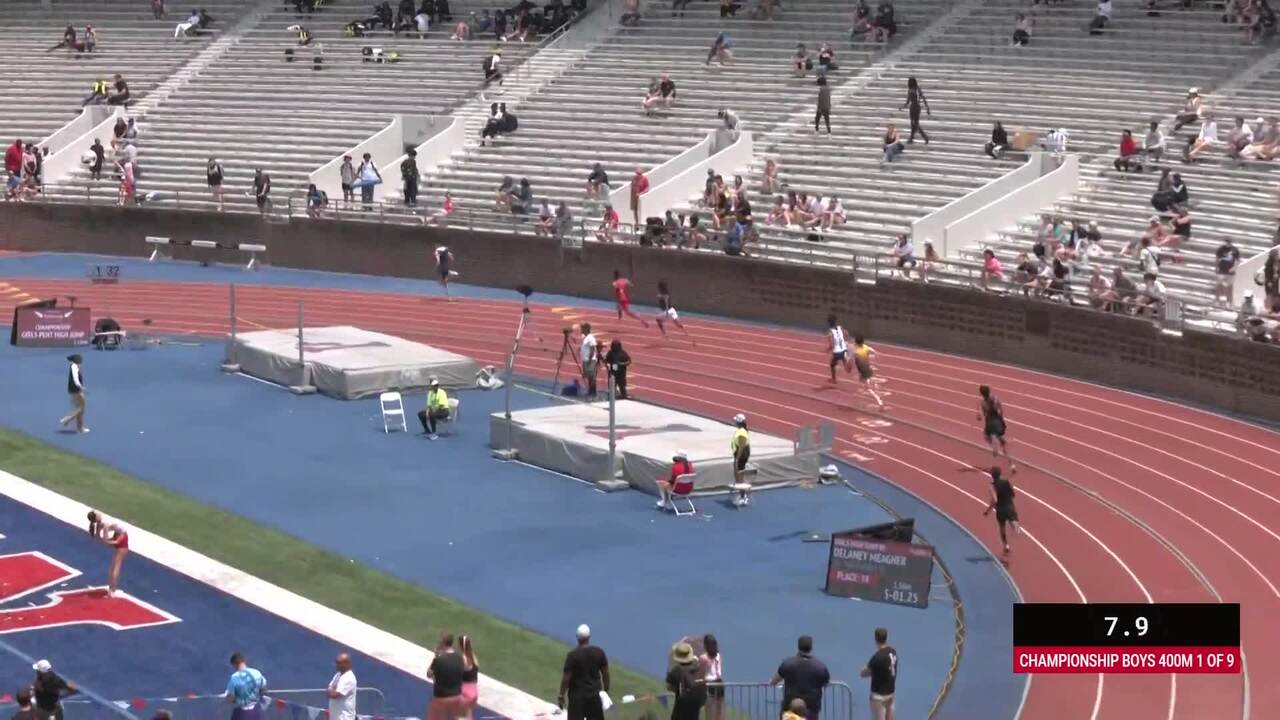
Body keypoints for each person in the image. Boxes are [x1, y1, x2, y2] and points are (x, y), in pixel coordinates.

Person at [771, 636, 830, 720]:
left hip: (789, 709)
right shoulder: (820, 667)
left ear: (798, 647)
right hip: (811, 710)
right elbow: (826, 684)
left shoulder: (788, 664)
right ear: (811, 647)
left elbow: (774, 681)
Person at [560, 624, 610, 720]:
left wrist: (561, 695)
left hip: (576, 699)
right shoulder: (599, 652)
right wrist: (606, 692)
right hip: (594, 697)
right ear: (589, 637)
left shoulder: (572, 656)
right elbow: (606, 674)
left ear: (577, 638)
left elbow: (566, 678)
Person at [87, 511, 129, 596]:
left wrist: (110, 540)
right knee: (116, 566)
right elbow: (106, 540)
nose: (99, 513)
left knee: (113, 566)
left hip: (117, 535)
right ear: (97, 517)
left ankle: (111, 588)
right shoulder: (105, 524)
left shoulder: (99, 524)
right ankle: (112, 590)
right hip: (121, 537)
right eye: (97, 513)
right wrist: (113, 541)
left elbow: (98, 537)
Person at [427, 634, 467, 720]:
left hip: (441, 697)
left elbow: (429, 674)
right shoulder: (460, 658)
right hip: (456, 696)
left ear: (442, 644)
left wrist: (436, 656)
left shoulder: (439, 660)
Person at [983, 464, 1021, 555]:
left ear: (992, 475)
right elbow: (1013, 495)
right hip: (1009, 506)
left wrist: (987, 511)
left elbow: (994, 500)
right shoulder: (1006, 482)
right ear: (1000, 474)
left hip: (1000, 510)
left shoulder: (991, 486)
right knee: (1015, 525)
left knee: (1002, 527)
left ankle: (1006, 545)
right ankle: (1015, 527)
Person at [860, 628, 897, 720]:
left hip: (879, 697)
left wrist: (864, 669)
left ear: (876, 639)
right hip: (890, 693)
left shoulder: (877, 658)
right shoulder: (892, 652)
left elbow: (864, 673)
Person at [666, 642, 707, 720]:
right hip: (696, 706)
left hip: (681, 708)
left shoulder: (677, 670)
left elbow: (669, 687)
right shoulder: (698, 668)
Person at [224, 653, 267, 720]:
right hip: (256, 711)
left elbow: (230, 698)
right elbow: (263, 690)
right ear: (244, 661)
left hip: (241, 713)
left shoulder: (234, 678)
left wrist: (227, 697)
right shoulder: (257, 673)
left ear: (234, 665)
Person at [977, 384, 1009, 461]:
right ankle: (1011, 463)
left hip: (989, 423)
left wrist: (980, 416)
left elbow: (982, 415)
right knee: (1000, 438)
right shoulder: (995, 398)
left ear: (981, 393)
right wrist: (1000, 417)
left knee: (986, 436)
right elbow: (1000, 410)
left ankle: (994, 446)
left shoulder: (983, 403)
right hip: (998, 421)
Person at [59, 354, 88, 433]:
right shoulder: (74, 367)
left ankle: (80, 428)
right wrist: (81, 387)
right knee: (81, 409)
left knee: (80, 409)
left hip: (75, 390)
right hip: (76, 391)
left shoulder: (74, 367)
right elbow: (75, 380)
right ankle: (66, 419)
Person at [852, 336, 883, 408]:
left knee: (868, 388)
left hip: (864, 371)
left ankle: (880, 402)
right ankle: (864, 390)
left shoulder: (856, 352)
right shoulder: (866, 347)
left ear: (856, 343)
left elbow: (852, 360)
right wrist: (876, 357)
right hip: (867, 369)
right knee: (862, 382)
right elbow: (874, 351)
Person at [699, 635, 724, 720]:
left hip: (712, 684)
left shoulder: (704, 658)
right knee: (716, 711)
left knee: (712, 711)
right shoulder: (717, 656)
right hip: (716, 684)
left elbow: (701, 674)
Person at [326, 654, 358, 720]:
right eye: (336, 662)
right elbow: (328, 690)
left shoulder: (349, 678)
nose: (336, 665)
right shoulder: (338, 675)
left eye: (339, 663)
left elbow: (334, 695)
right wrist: (331, 689)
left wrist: (332, 689)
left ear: (347, 664)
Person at [900, 77, 930, 144]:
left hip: (913, 107)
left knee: (914, 124)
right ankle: (911, 138)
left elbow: (908, 102)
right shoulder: (918, 89)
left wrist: (902, 107)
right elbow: (923, 98)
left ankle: (924, 136)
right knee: (914, 123)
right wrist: (927, 108)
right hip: (917, 107)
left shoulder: (911, 90)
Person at [730, 413, 751, 501]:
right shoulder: (742, 430)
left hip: (741, 455)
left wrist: (738, 458)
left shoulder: (742, 432)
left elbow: (742, 446)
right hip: (741, 454)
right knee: (739, 475)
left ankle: (742, 496)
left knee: (739, 476)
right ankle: (742, 495)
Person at [826, 314, 852, 382]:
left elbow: (831, 345)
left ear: (829, 323)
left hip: (837, 352)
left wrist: (828, 349)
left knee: (832, 365)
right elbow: (846, 333)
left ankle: (834, 379)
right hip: (844, 349)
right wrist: (847, 340)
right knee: (845, 363)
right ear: (835, 321)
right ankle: (848, 366)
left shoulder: (830, 331)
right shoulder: (840, 327)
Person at [460, 636, 480, 720]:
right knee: (468, 714)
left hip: (465, 691)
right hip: (474, 691)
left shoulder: (464, 659)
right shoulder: (474, 658)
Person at [579, 323, 600, 400]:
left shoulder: (590, 338)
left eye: (582, 328)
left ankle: (593, 394)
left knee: (592, 378)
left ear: (586, 329)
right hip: (586, 360)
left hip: (590, 361)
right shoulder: (585, 337)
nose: (581, 330)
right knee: (589, 377)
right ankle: (590, 392)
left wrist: (590, 359)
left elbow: (592, 349)